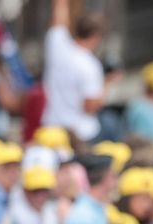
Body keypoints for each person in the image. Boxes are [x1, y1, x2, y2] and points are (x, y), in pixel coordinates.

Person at [42, 0, 105, 143]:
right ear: (96, 36)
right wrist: (108, 83)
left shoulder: (57, 45)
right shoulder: (90, 65)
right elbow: (90, 106)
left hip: (52, 129)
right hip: (80, 135)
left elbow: (59, 14)